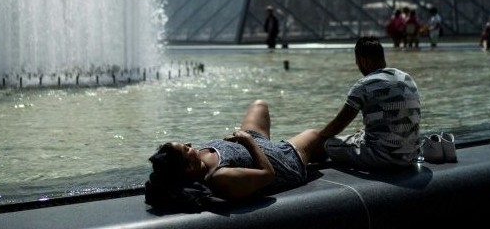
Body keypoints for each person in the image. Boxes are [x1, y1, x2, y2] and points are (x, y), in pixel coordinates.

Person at [145, 99, 324, 211]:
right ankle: (321, 152)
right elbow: (269, 175)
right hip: (283, 162)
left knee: (259, 105)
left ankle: (315, 152)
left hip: (254, 142)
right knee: (314, 134)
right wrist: (247, 140)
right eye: (186, 149)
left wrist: (245, 139)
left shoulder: (196, 161)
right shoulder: (220, 176)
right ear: (189, 167)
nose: (190, 145)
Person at [319, 36, 421, 170]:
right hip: (411, 155)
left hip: (382, 157)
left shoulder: (363, 85)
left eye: (357, 62)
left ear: (363, 61)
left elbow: (339, 123)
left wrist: (320, 136)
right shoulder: (407, 78)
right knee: (360, 133)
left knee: (328, 144)